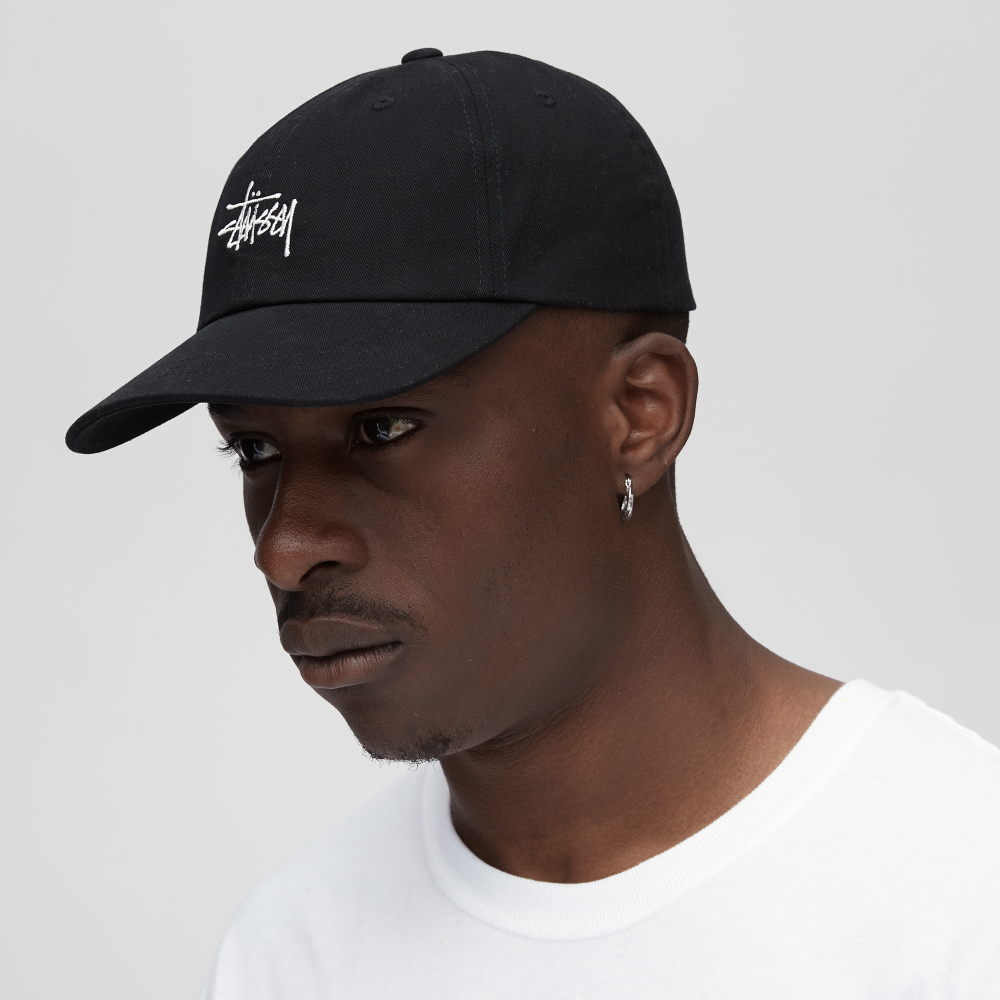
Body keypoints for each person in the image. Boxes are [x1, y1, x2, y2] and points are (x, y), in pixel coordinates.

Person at [66, 48, 999, 999]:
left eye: (382, 428)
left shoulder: (961, 901)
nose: (284, 548)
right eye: (254, 449)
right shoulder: (291, 954)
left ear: (640, 413)